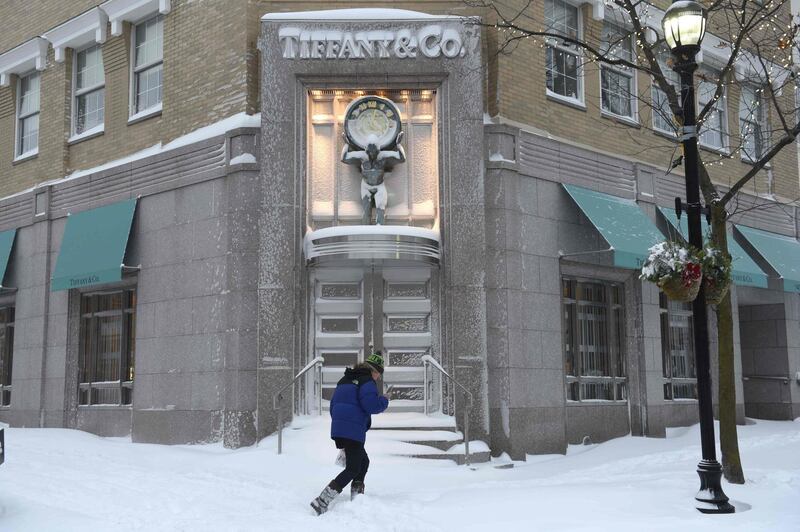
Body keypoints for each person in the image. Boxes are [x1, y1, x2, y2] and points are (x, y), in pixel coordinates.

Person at [310, 351, 389, 515]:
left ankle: (357, 497)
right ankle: (322, 500)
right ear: (374, 371)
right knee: (353, 468)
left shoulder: (345, 379)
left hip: (341, 428)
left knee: (363, 462)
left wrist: (342, 425)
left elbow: (333, 406)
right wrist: (385, 399)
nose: (378, 378)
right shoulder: (366, 381)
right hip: (352, 430)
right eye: (379, 374)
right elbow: (371, 406)